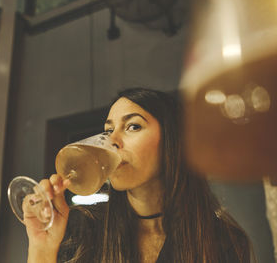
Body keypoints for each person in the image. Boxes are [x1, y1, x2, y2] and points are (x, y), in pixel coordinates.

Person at [26, 88, 253, 263]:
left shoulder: (223, 240)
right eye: (108, 130)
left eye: (133, 126)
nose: (112, 140)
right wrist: (42, 248)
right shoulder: (84, 228)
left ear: (172, 142)